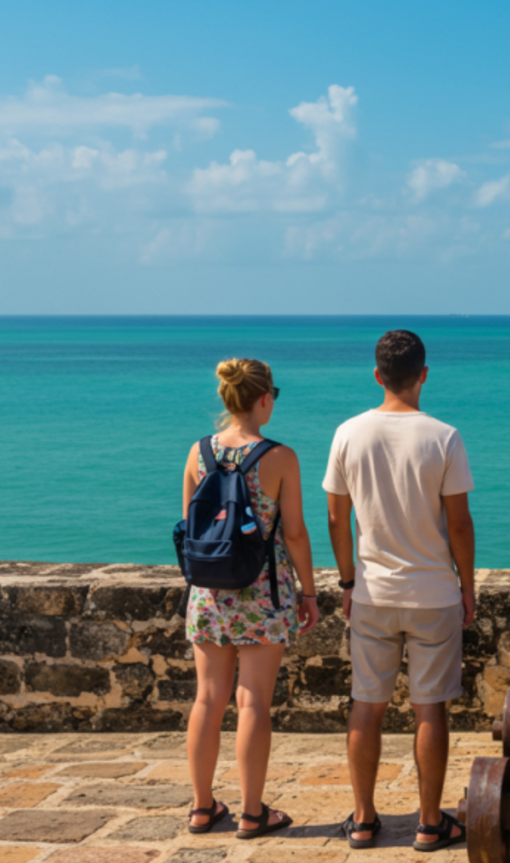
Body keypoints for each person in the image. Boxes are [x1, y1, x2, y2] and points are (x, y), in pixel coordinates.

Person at [324, 330, 475, 852]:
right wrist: (467, 589)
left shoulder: (348, 433)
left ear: (377, 374)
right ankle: (430, 823)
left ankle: (364, 820)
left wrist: (347, 579)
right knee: (429, 708)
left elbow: (335, 518)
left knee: (367, 704)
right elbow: (459, 525)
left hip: (372, 591)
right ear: (424, 375)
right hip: (433, 594)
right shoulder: (444, 437)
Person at [182, 358, 321, 839]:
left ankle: (202, 808)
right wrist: (309, 592)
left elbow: (190, 527)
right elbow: (297, 533)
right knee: (253, 702)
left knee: (207, 698)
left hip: (209, 593)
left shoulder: (199, 453)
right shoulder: (279, 457)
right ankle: (252, 812)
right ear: (264, 399)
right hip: (262, 591)